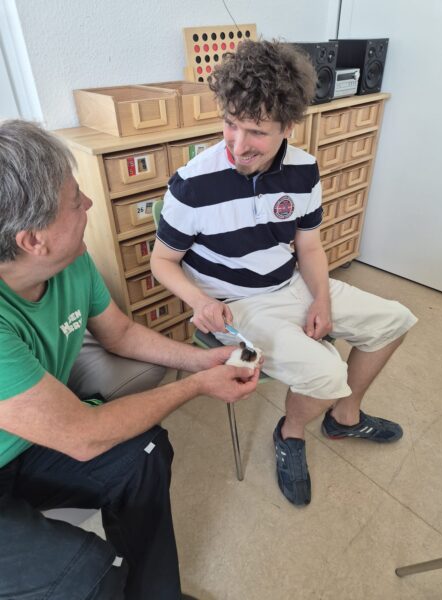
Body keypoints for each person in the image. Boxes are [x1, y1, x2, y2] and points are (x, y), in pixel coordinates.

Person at [150, 40, 418, 507]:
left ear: (288, 126)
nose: (237, 145)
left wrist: (322, 300)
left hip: (290, 283)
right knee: (328, 372)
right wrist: (200, 302)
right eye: (230, 123)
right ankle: (291, 433)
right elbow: (162, 261)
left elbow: (308, 246)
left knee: (394, 321)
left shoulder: (304, 169)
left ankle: (345, 417)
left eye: (256, 131)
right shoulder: (192, 184)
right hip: (236, 308)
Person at [0, 119, 260, 600]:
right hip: (30, 446)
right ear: (34, 240)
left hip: (29, 442)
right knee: (87, 572)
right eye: (75, 200)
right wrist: (197, 386)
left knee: (145, 454)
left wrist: (201, 362)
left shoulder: (70, 261)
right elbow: (81, 436)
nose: (89, 204)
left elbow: (118, 333)